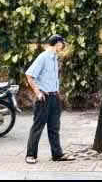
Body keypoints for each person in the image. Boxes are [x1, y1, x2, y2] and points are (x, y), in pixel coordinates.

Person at [25, 34, 71, 164]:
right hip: (44, 97)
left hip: (54, 97)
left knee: (54, 127)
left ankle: (57, 154)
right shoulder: (43, 57)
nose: (63, 46)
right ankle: (30, 155)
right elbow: (29, 75)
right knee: (38, 127)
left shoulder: (54, 58)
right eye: (62, 43)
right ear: (57, 44)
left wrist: (57, 93)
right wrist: (38, 92)